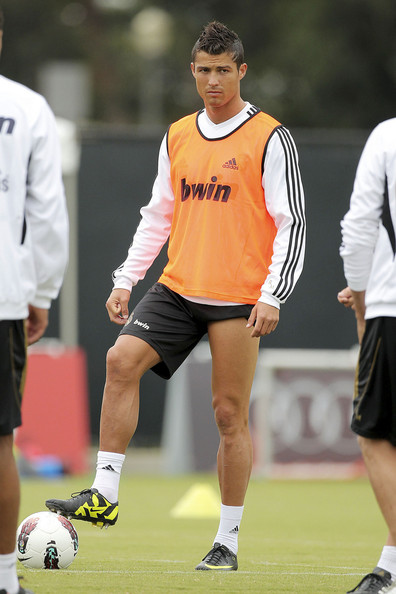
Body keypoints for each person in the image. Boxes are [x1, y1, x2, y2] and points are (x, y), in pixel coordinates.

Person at [46, 21, 305, 570]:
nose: (213, 81)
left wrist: (273, 293)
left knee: (229, 415)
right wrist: (124, 278)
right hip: (179, 286)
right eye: (204, 71)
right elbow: (158, 214)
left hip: (237, 297)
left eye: (223, 70)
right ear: (192, 72)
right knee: (120, 361)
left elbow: (292, 222)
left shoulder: (270, 137)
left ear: (241, 70)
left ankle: (227, 542)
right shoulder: (177, 134)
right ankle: (105, 495)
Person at [0, 5, 69, 594]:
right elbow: (46, 213)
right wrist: (42, 291)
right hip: (3, 295)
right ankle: (2, 578)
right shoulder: (25, 107)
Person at [338, 117, 396, 594]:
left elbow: (360, 223)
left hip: (391, 311)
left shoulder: (387, 135)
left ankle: (394, 566)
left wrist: (361, 293)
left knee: (376, 436)